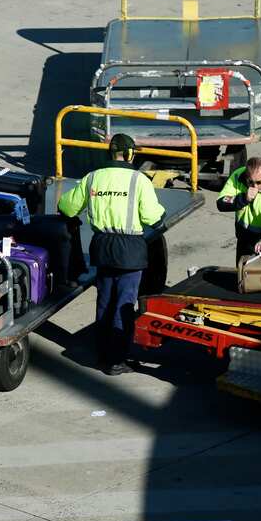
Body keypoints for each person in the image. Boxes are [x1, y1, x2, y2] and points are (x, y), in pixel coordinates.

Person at [58, 134, 164, 375]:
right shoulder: (139, 180)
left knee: (105, 300)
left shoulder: (93, 177)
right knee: (124, 304)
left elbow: (66, 207)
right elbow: (153, 217)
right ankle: (118, 360)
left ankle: (103, 353)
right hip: (130, 249)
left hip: (102, 246)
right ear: (129, 154)